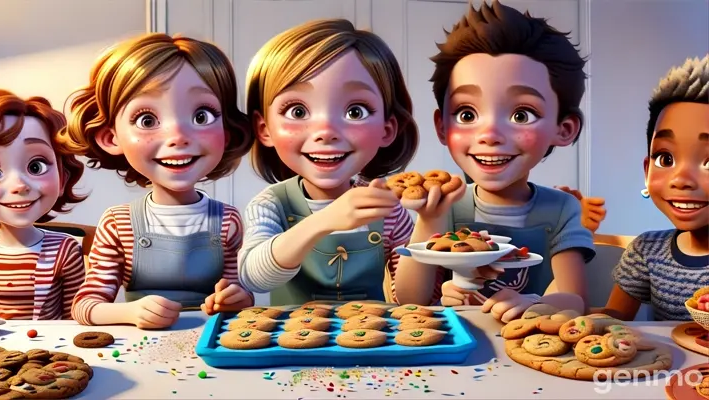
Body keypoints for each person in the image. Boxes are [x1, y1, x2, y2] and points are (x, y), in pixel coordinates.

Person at [394, 0, 594, 322]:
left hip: (531, 342)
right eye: (467, 114)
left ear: (564, 128)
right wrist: (430, 222)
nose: (490, 134)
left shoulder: (561, 210)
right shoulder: (445, 205)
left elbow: (574, 298)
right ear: (442, 127)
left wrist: (536, 304)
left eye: (521, 114)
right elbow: (408, 301)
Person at [238, 19, 445, 305]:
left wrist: (428, 222)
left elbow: (413, 300)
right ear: (264, 129)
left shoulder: (387, 209)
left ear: (387, 130)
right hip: (292, 342)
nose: (326, 131)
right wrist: (325, 220)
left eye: (355, 111)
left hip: (371, 339)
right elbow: (254, 278)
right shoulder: (269, 205)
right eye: (298, 111)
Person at [64, 33, 254, 328]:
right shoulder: (117, 223)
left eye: (202, 116)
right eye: (147, 120)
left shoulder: (228, 220)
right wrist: (130, 312)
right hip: (139, 350)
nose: (178, 137)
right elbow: (85, 305)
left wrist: (236, 299)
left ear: (226, 133)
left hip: (210, 344)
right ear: (111, 137)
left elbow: (239, 292)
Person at [606, 55, 709, 321]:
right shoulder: (647, 251)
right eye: (665, 159)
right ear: (646, 169)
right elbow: (613, 320)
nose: (682, 179)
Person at [0, 89, 86, 320]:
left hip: (49, 350)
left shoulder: (65, 250)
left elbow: (73, 319)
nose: (19, 186)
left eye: (36, 166)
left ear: (63, 177)